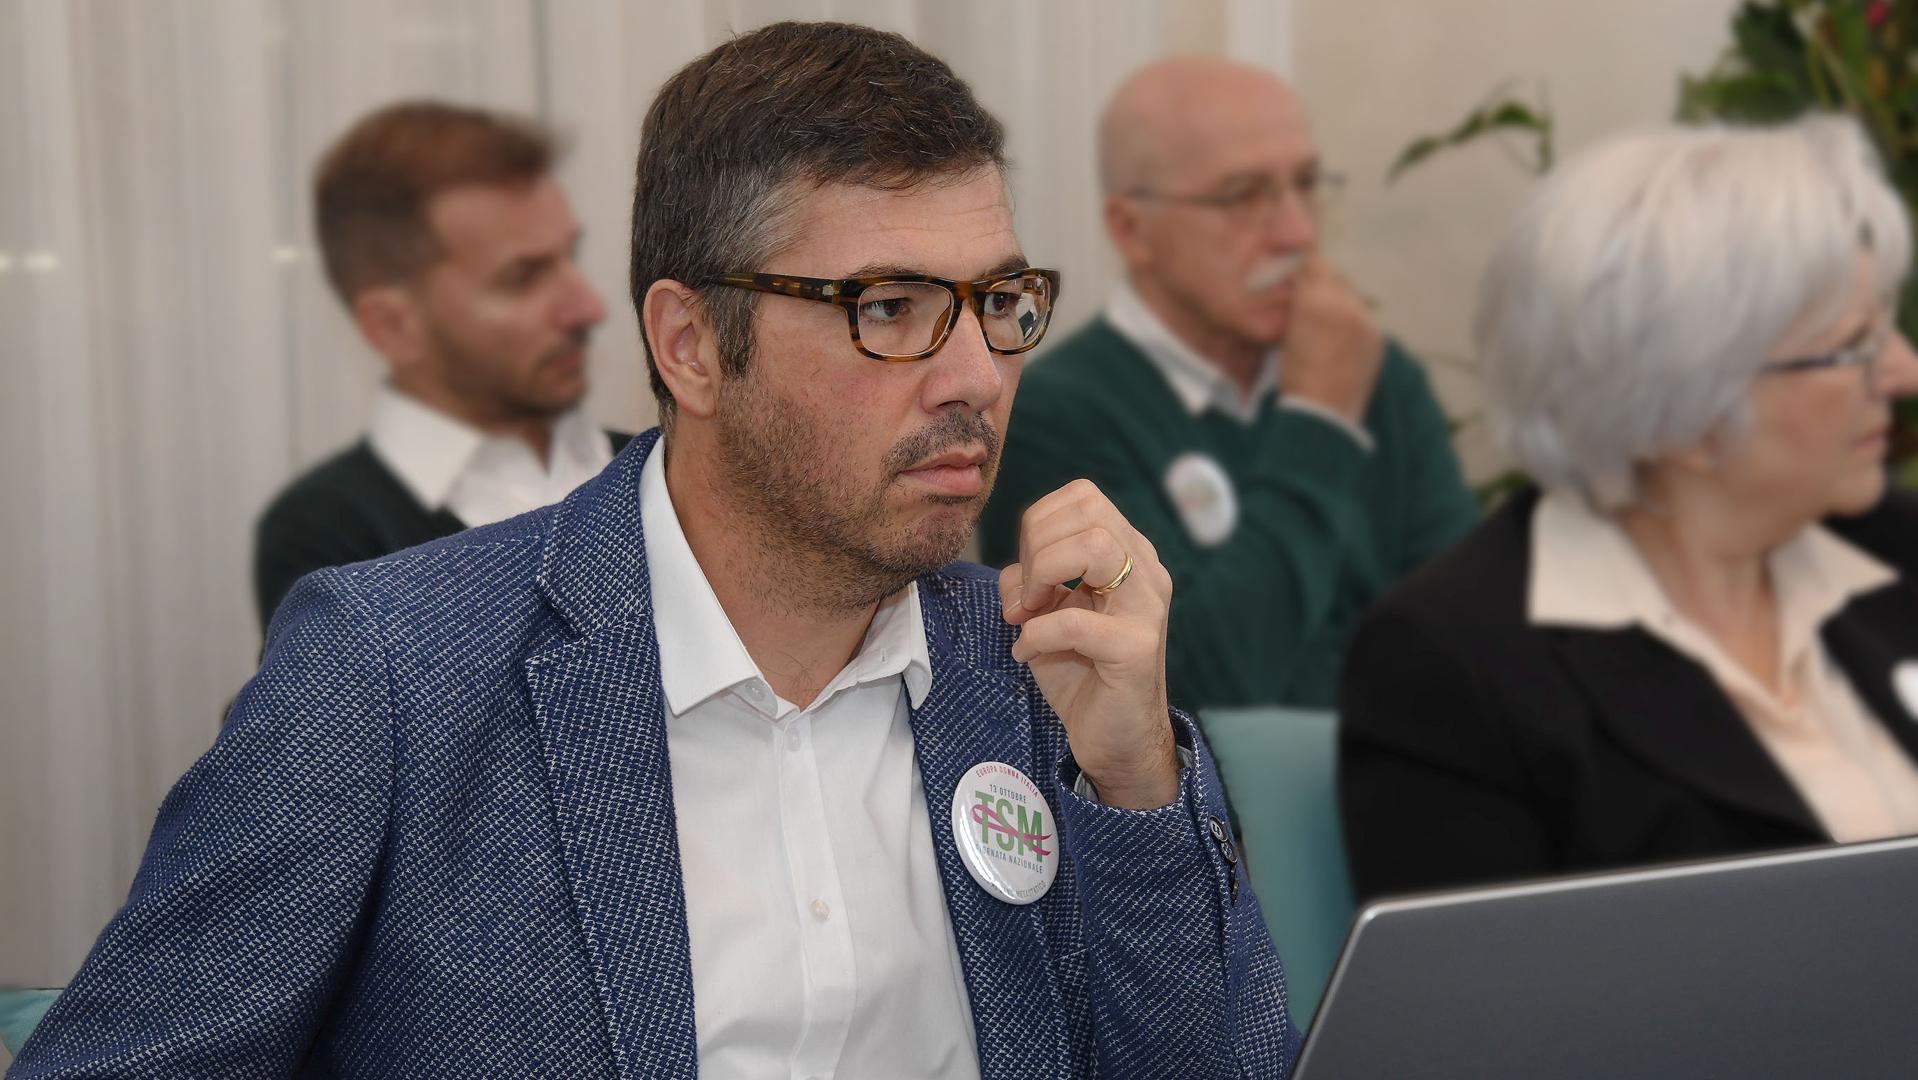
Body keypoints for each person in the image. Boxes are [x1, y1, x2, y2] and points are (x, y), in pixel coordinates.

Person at [14, 23, 1296, 1078]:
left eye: (999, 303)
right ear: (689, 347)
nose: (976, 376)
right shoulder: (392, 674)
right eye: (890, 307)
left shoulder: (1032, 670)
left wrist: (1135, 783)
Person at [1339, 116, 1918, 903]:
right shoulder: (1456, 662)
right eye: (1855, 347)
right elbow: (1484, 982)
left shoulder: (1894, 551)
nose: (1903, 371)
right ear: (1688, 413)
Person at [979, 56, 1478, 711]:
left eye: (1306, 185)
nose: (1297, 233)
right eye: (1243, 197)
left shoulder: (1376, 377)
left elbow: (1471, 642)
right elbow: (1180, 697)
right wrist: (1321, 426)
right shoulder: (1052, 413)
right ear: (1133, 230)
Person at [251, 101, 622, 630]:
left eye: (570, 257)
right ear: (393, 326)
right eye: (523, 278)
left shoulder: (660, 465)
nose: (588, 308)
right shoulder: (329, 534)